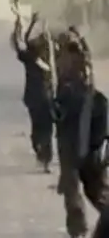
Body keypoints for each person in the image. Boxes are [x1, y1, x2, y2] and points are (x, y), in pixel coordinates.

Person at [54, 32, 109, 238]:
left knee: (91, 191)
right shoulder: (70, 84)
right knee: (77, 191)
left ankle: (81, 230)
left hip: (83, 147)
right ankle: (78, 231)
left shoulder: (89, 96)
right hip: (75, 145)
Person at [11, 13, 54, 172]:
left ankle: (45, 158)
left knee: (44, 129)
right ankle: (43, 156)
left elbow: (19, 43)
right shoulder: (32, 56)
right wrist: (18, 28)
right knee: (42, 129)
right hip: (38, 97)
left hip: (45, 97)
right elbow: (19, 44)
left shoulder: (49, 54)